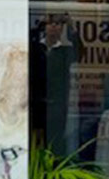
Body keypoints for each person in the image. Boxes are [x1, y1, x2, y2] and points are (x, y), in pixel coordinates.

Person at [30, 14, 83, 155]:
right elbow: (28, 40)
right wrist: (38, 25)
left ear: (62, 29)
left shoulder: (65, 51)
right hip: (35, 104)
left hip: (56, 106)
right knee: (34, 141)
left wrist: (71, 27)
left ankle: (54, 167)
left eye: (58, 24)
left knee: (55, 142)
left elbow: (79, 52)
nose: (53, 26)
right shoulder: (35, 48)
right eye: (50, 23)